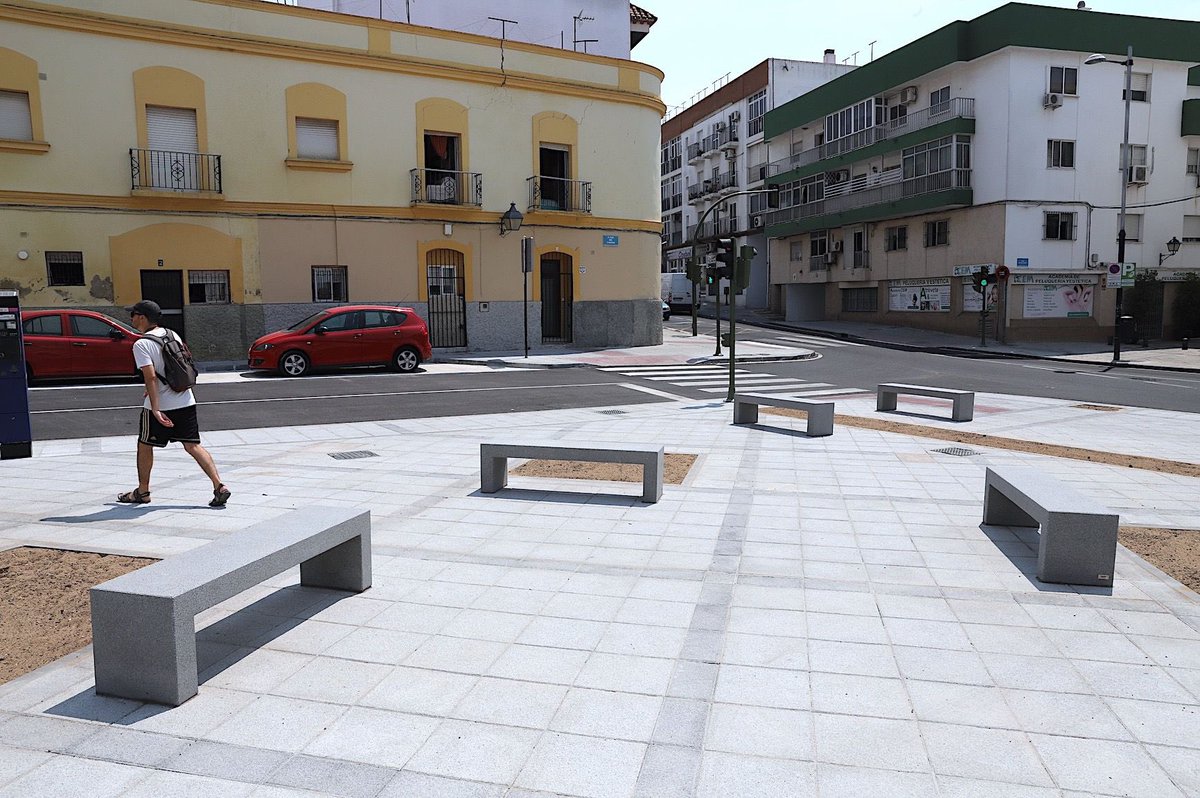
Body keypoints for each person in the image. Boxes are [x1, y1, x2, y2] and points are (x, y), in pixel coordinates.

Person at [117, 300, 230, 507]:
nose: (131, 318)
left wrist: (156, 408)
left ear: (142, 317)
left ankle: (142, 492)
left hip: (161, 407)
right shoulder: (172, 334)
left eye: (132, 314)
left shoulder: (141, 344)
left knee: (145, 445)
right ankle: (219, 485)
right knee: (193, 445)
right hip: (186, 399)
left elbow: (150, 377)